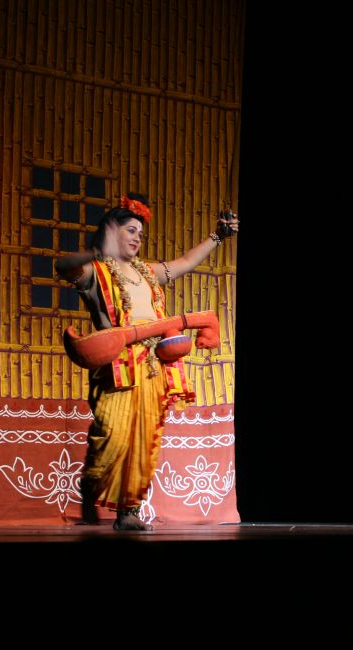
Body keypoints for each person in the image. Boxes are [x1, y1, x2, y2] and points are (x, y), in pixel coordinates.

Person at [54, 192, 238, 530]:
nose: (138, 237)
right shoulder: (96, 273)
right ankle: (92, 491)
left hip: (152, 364)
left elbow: (185, 262)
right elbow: (62, 266)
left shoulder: (148, 272)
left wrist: (218, 236)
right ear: (111, 232)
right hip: (117, 368)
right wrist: (96, 252)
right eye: (130, 230)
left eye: (140, 232)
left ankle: (129, 513)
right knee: (112, 437)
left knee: (143, 439)